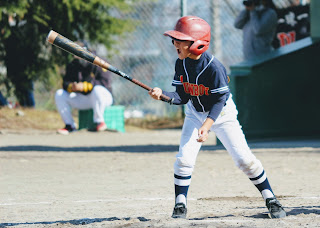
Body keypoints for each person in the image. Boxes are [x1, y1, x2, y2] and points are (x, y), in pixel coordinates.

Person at [149, 16, 286, 219]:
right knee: (184, 159)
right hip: (195, 113)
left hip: (221, 114)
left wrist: (207, 124)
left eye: (181, 39)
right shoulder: (181, 64)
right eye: (175, 39)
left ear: (197, 43)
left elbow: (220, 100)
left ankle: (271, 198)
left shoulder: (214, 67)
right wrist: (163, 96)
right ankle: (180, 205)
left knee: (244, 160)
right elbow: (182, 97)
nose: (175, 43)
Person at [55, 41, 113, 135]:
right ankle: (70, 126)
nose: (76, 55)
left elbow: (105, 83)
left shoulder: (99, 61)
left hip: (103, 98)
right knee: (60, 94)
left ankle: (100, 121)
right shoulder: (73, 65)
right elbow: (65, 83)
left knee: (97, 90)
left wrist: (86, 86)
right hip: (85, 99)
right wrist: (72, 87)